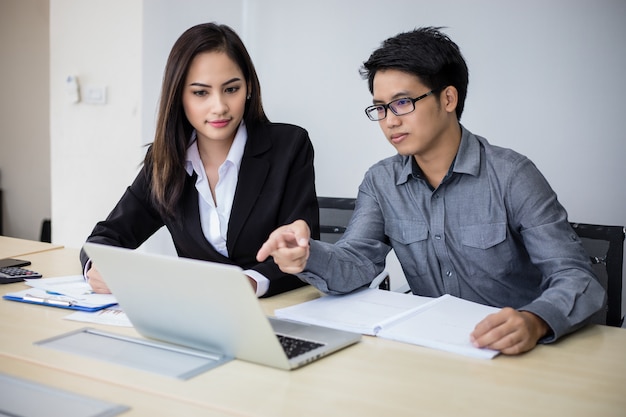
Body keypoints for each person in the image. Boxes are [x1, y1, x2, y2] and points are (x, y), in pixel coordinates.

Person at [257, 27, 605, 354]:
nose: (390, 120)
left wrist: (536, 321)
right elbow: (357, 263)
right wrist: (306, 255)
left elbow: (577, 278)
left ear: (448, 98)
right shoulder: (381, 182)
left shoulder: (513, 175)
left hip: (516, 354)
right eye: (380, 108)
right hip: (433, 350)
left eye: (402, 102)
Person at [80, 22, 319, 297]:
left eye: (231, 89)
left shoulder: (289, 147)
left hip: (277, 313)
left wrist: (249, 283)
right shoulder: (164, 161)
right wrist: (96, 268)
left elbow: (302, 252)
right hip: (197, 319)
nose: (219, 107)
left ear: (249, 87)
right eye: (200, 92)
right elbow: (106, 237)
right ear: (179, 96)